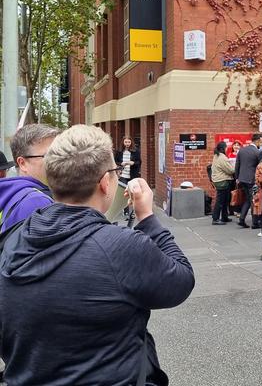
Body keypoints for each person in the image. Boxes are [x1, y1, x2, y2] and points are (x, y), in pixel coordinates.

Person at [0, 124, 195, 385]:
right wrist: (147, 217)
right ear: (105, 182)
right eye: (115, 171)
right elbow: (181, 279)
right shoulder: (120, 247)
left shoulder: (13, 238)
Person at [0, 124, 60, 233]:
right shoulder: (36, 201)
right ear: (22, 163)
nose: (58, 160)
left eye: (59, 154)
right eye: (49, 156)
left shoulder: (13, 193)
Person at [234, 133, 262, 228]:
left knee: (248, 199)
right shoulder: (257, 152)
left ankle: (241, 219)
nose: (261, 144)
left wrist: (237, 178)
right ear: (258, 141)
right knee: (254, 200)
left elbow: (237, 165)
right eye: (261, 142)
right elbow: (260, 166)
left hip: (242, 179)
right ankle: (255, 223)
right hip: (252, 179)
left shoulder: (242, 150)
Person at [211, 141, 235, 225]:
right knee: (220, 200)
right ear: (223, 148)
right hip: (223, 181)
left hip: (218, 180)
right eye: (226, 147)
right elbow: (230, 170)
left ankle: (224, 217)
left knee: (225, 200)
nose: (227, 148)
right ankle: (215, 218)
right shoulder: (222, 157)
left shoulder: (216, 156)